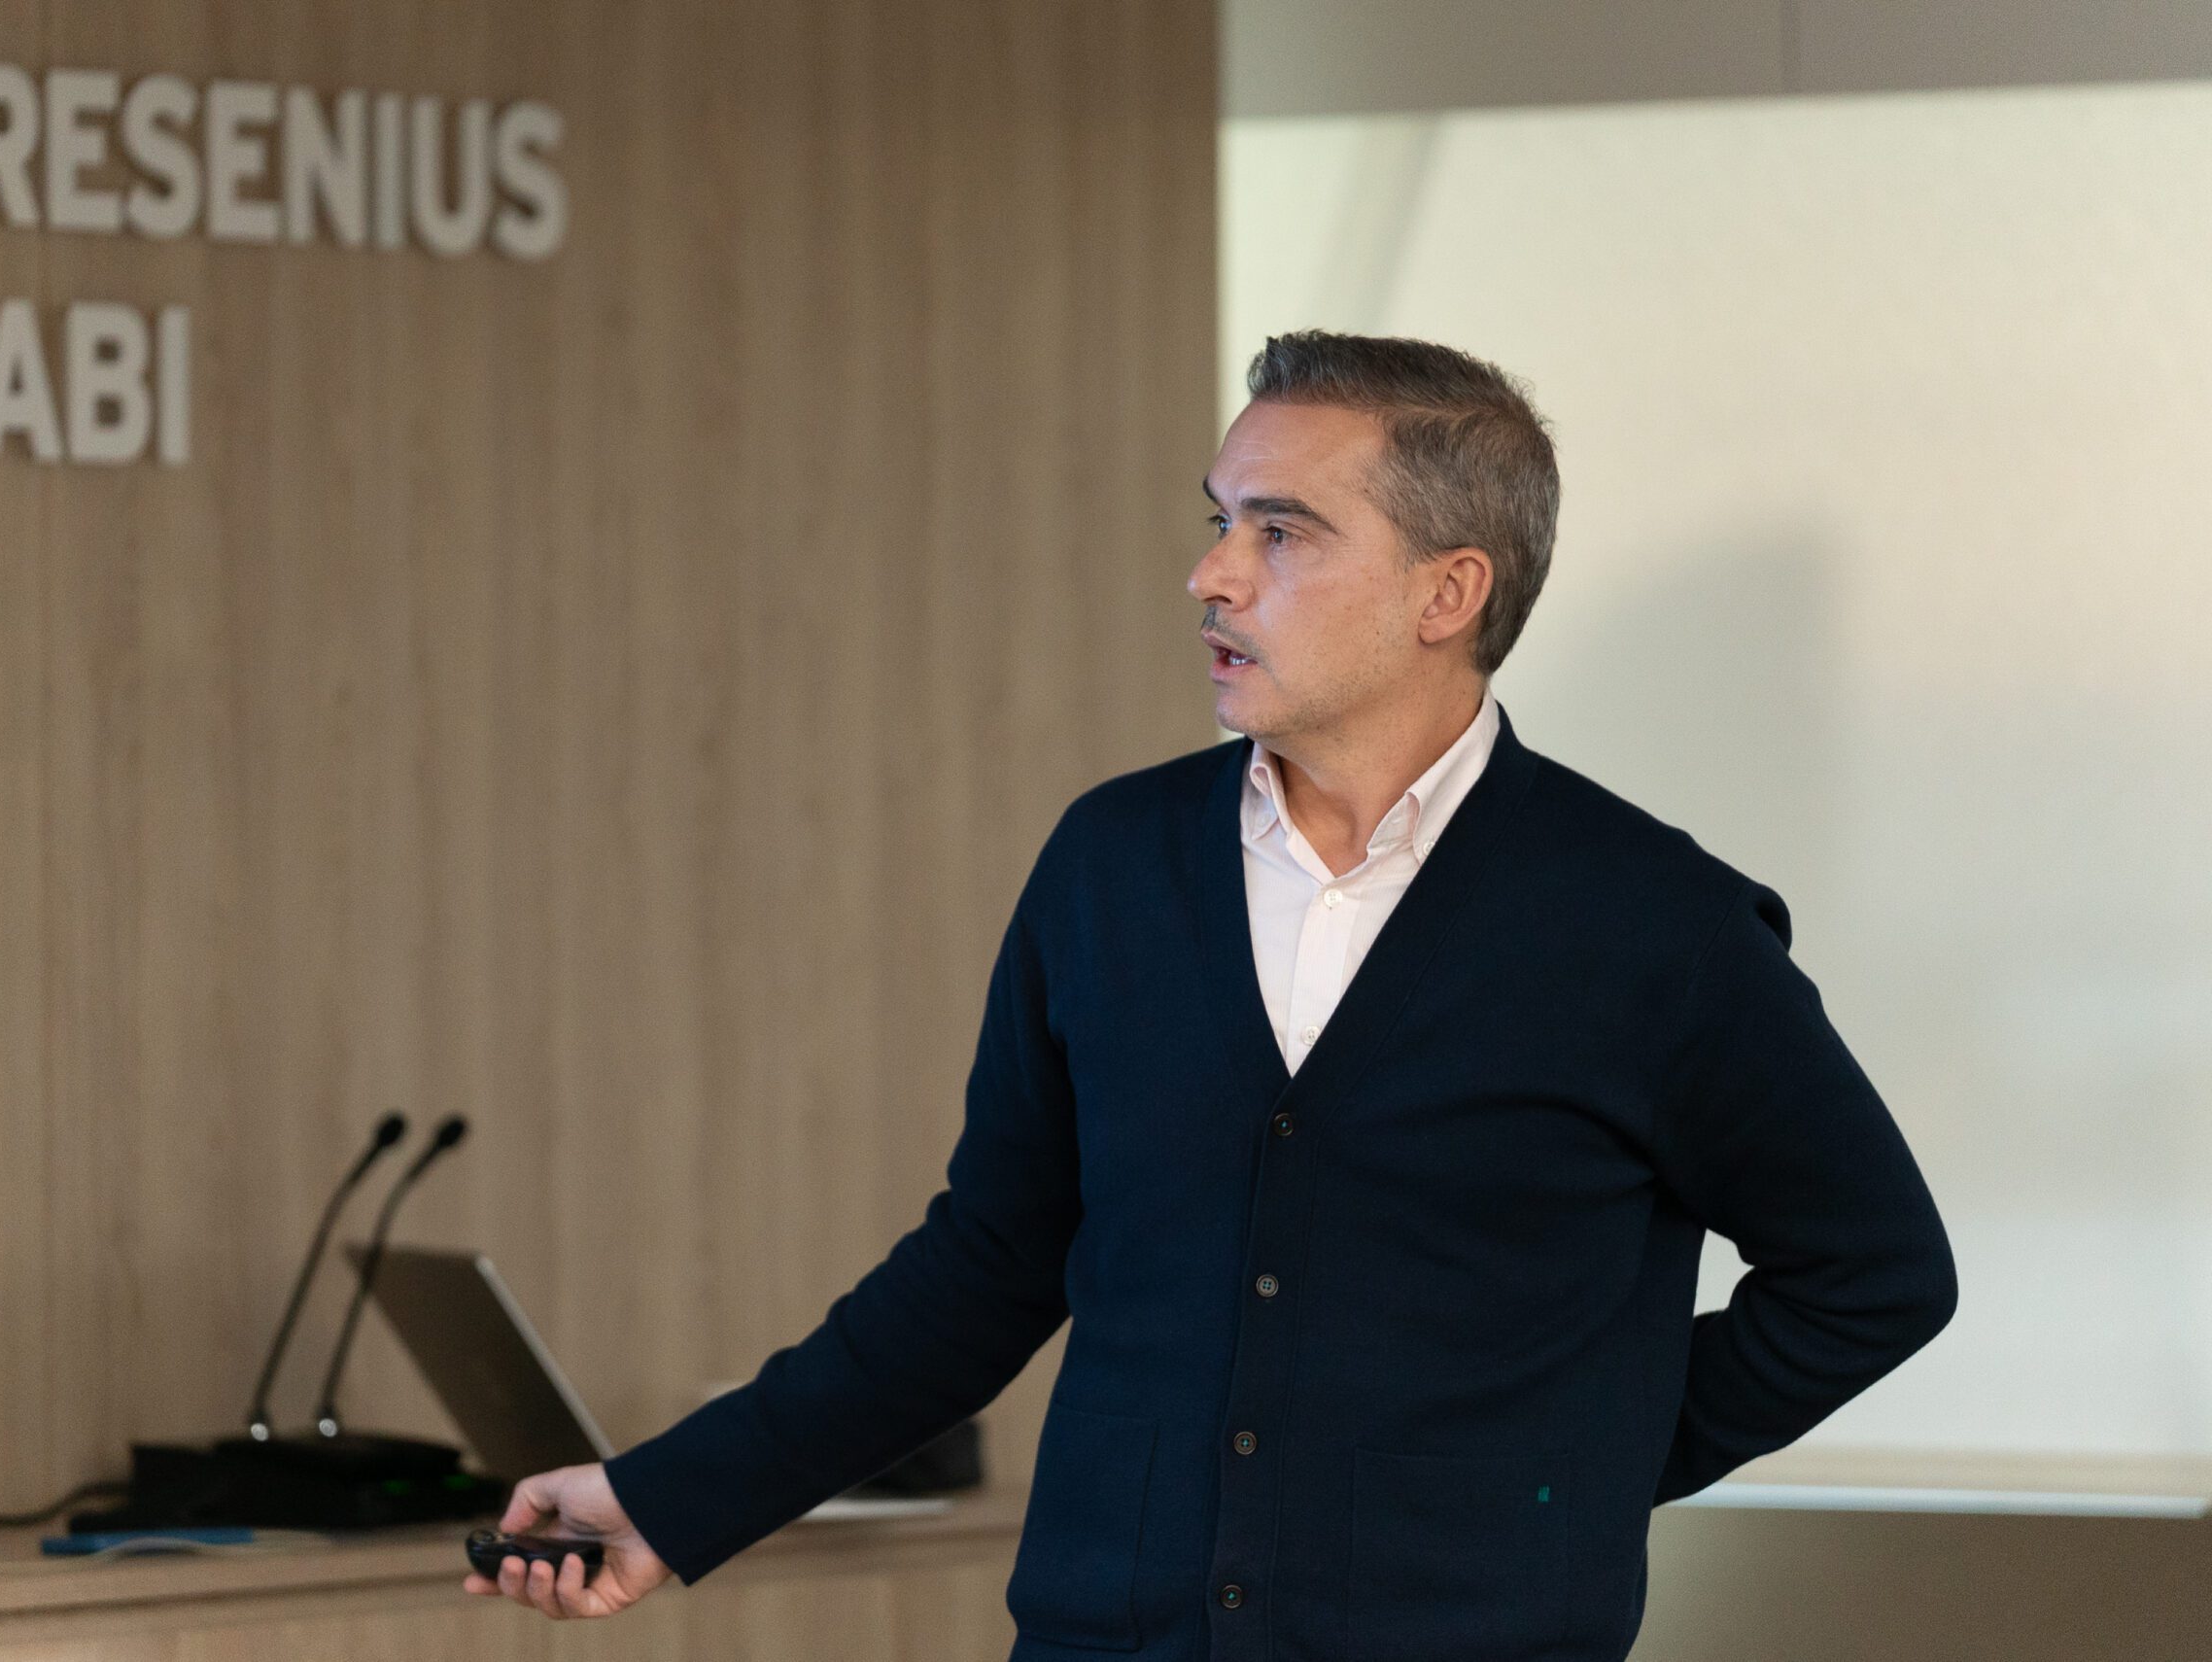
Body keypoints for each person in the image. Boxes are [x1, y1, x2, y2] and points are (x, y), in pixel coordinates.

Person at [463, 330, 1958, 1660]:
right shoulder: (1111, 865)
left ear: (1448, 591)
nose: (1213, 574)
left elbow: (1874, 1272)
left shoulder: (1653, 926)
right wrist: (672, 1496)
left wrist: (1568, 1459)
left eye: (1281, 532)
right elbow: (985, 1268)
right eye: (1219, 521)